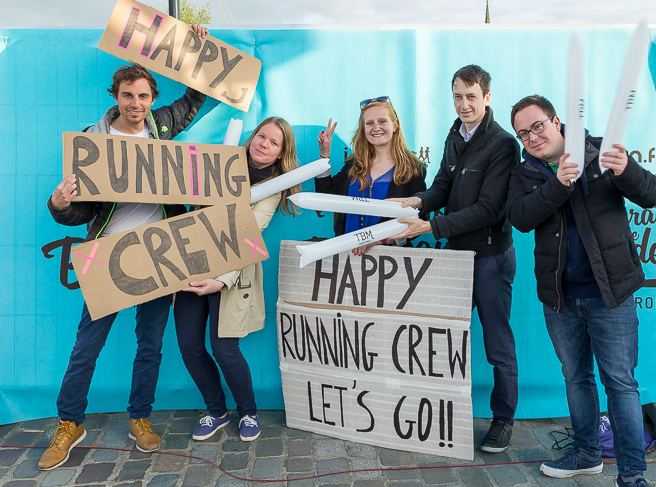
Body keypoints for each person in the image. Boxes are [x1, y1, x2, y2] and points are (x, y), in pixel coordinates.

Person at [40, 26, 209, 471]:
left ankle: (140, 418)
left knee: (149, 345)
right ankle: (69, 423)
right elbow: (80, 210)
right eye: (128, 96)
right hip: (108, 255)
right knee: (86, 348)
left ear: (153, 99)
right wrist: (58, 204)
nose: (136, 104)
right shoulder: (90, 141)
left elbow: (196, 96)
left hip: (159, 253)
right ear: (115, 96)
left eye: (144, 96)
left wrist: (196, 46)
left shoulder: (162, 126)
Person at [505, 95, 656, 487]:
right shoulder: (526, 173)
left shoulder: (600, 152)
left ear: (556, 121)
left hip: (610, 293)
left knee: (621, 384)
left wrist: (627, 170)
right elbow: (521, 218)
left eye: (537, 126)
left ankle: (632, 476)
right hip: (560, 297)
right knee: (576, 378)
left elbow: (653, 194)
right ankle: (587, 454)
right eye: (523, 133)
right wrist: (558, 184)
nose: (532, 137)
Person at [389, 65, 520, 453]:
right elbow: (443, 186)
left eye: (471, 97)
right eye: (458, 97)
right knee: (445, 339)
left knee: (498, 345)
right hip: (455, 258)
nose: (464, 105)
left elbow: (489, 209)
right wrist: (416, 201)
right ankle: (444, 413)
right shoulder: (454, 133)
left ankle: (503, 420)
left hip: (490, 259)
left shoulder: (502, 144)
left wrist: (428, 227)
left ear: (487, 98)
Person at [173, 117, 300, 442]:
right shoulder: (220, 163)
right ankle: (216, 412)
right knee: (189, 346)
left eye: (274, 143)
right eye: (261, 136)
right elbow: (193, 207)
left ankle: (248, 411)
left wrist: (221, 279)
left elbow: (247, 233)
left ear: (280, 154)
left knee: (225, 348)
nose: (264, 144)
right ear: (252, 137)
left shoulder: (273, 187)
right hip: (192, 263)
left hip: (233, 272)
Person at [315, 96, 426, 255]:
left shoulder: (413, 169)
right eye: (369, 123)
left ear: (395, 125)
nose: (376, 127)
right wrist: (324, 154)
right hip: (346, 256)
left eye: (382, 121)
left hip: (388, 261)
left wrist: (379, 240)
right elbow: (325, 197)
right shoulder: (353, 164)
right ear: (364, 129)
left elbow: (418, 221)